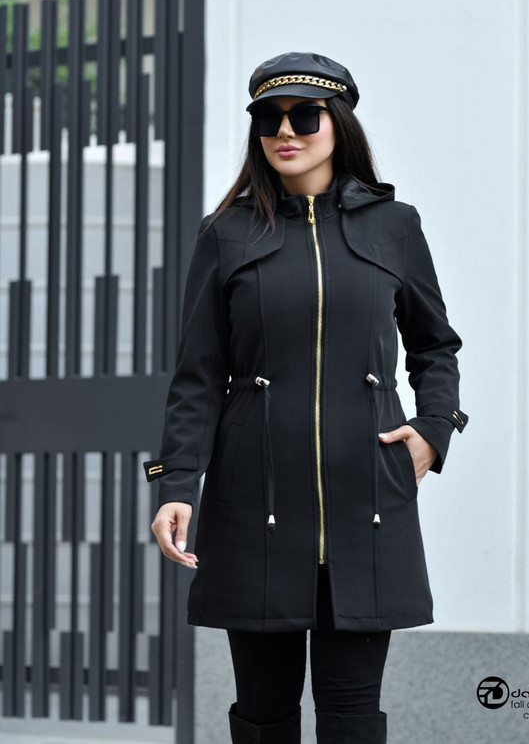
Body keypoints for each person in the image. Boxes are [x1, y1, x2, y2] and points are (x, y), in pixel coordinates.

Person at [143, 52, 468, 744]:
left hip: (366, 499)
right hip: (253, 499)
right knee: (263, 711)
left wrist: (434, 429)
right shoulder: (226, 233)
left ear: (338, 123)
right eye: (269, 118)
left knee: (351, 711)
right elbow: (197, 375)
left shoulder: (394, 226)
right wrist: (176, 483)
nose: (285, 131)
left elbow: (435, 347)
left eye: (304, 116)